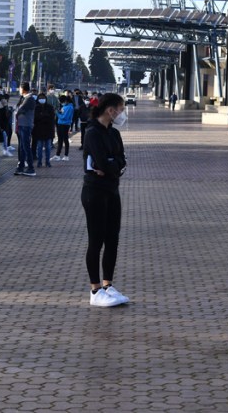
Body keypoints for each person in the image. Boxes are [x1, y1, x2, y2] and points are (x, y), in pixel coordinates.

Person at [81, 93, 129, 307]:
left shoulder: (115, 134)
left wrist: (111, 165)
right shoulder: (92, 132)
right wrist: (110, 164)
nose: (122, 113)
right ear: (110, 110)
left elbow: (121, 161)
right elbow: (100, 162)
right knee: (96, 240)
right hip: (94, 192)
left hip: (112, 190)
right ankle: (95, 290)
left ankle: (108, 285)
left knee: (112, 239)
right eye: (121, 108)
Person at [13, 82, 37, 176]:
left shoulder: (29, 99)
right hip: (21, 125)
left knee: (26, 146)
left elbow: (19, 110)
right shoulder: (23, 98)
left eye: (19, 88)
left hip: (26, 125)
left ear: (23, 89)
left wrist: (17, 111)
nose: (19, 90)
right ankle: (21, 166)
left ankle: (31, 168)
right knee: (21, 147)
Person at [33, 92, 56, 168]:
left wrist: (42, 116)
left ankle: (47, 162)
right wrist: (44, 116)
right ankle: (39, 162)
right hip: (39, 131)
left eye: (43, 98)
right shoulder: (36, 107)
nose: (42, 99)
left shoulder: (50, 107)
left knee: (48, 148)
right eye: (40, 98)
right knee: (39, 148)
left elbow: (51, 117)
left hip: (48, 130)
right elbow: (35, 118)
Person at [53, 94, 74, 161]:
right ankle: (58, 155)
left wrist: (57, 113)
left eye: (61, 102)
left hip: (64, 125)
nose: (61, 103)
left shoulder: (69, 107)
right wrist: (59, 112)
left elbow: (64, 117)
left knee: (65, 139)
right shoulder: (66, 106)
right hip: (61, 124)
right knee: (60, 140)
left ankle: (66, 155)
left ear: (65, 101)